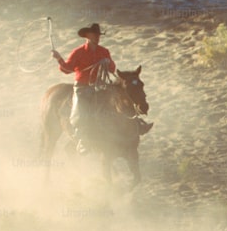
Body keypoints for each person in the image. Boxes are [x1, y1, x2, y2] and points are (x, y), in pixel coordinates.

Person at [52, 23, 154, 153]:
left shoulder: (104, 51)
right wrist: (58, 58)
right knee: (80, 111)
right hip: (82, 87)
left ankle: (137, 123)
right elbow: (67, 69)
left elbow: (112, 68)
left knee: (121, 99)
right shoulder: (78, 52)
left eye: (98, 35)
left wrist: (107, 62)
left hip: (100, 86)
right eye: (94, 35)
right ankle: (82, 140)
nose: (97, 37)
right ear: (87, 36)